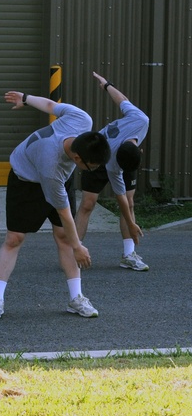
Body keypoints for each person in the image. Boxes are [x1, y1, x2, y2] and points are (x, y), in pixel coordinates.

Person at [0, 91, 111, 320]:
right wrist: (78, 247)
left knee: (63, 236)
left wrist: (25, 97)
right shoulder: (52, 167)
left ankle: (76, 298)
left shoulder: (82, 120)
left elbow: (51, 105)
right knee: (15, 238)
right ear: (78, 159)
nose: (92, 170)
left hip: (58, 176)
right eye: (91, 166)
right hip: (26, 180)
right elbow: (65, 214)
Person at [75, 72, 150, 270]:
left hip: (123, 156)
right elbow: (119, 198)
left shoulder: (141, 120)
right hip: (97, 156)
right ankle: (74, 251)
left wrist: (107, 85)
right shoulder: (112, 165)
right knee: (87, 204)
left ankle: (129, 255)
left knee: (131, 202)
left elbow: (123, 100)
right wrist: (133, 225)